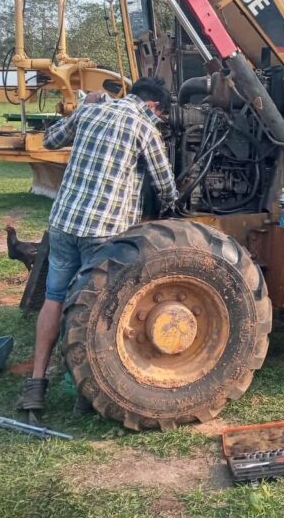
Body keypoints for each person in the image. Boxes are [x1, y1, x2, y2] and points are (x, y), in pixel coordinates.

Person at [18, 77, 178, 417]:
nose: (158, 122)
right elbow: (165, 185)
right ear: (153, 107)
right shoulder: (144, 128)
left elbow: (49, 139)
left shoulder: (91, 112)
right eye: (159, 116)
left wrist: (83, 106)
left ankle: (35, 385)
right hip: (104, 233)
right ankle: (83, 392)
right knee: (95, 311)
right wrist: (169, 207)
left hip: (63, 223)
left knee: (54, 300)